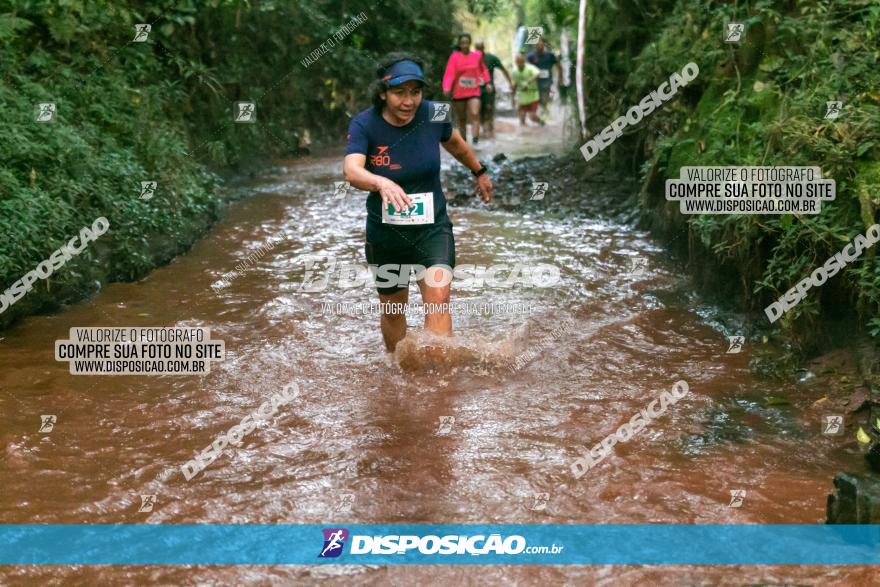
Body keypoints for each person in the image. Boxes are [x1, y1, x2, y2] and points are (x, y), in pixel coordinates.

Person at [343, 53, 494, 352]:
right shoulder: (365, 124)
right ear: (383, 93)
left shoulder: (435, 113)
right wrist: (381, 181)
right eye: (399, 93)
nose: (409, 101)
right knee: (393, 310)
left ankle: (436, 384)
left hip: (432, 228)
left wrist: (479, 171)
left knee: (438, 300)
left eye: (415, 92)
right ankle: (398, 371)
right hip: (387, 233)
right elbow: (352, 171)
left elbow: (455, 143)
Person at [442, 34, 490, 143]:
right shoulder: (454, 57)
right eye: (462, 43)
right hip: (459, 92)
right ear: (459, 44)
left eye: (467, 42)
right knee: (462, 118)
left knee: (474, 113)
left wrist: (488, 82)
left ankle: (475, 140)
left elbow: (484, 69)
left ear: (470, 43)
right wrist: (446, 87)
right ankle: (464, 142)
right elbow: (449, 73)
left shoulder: (477, 55)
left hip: (474, 90)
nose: (465, 45)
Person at [474, 41, 513, 139]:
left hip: (489, 89)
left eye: (481, 48)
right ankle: (484, 129)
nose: (479, 51)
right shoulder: (471, 58)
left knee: (489, 108)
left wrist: (510, 83)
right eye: (477, 49)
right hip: (475, 90)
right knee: (478, 111)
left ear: (484, 48)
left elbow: (503, 69)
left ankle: (490, 130)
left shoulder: (491, 58)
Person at [526, 38, 561, 120]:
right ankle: (542, 114)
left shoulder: (550, 55)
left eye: (541, 45)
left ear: (544, 46)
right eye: (538, 45)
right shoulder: (531, 56)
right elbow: (526, 68)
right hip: (535, 82)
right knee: (538, 101)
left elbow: (558, 66)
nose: (540, 47)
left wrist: (560, 77)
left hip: (547, 81)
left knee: (545, 99)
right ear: (535, 46)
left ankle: (545, 115)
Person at [510, 52, 542, 127]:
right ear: (515, 63)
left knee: (532, 117)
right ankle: (524, 136)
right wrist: (513, 99)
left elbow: (538, 73)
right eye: (518, 62)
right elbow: (514, 85)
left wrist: (528, 82)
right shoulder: (514, 72)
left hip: (533, 95)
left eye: (521, 62)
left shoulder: (530, 68)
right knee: (521, 120)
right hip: (523, 97)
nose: (520, 64)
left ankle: (541, 123)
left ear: (524, 61)